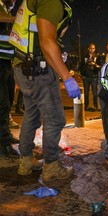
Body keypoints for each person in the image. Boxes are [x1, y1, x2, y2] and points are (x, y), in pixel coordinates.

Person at [9, 0, 81, 181]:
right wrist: (67, 77)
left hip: (22, 65)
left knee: (31, 115)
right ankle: (51, 166)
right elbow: (47, 42)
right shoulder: (51, 2)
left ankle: (25, 162)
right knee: (55, 119)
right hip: (37, 68)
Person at [0, 0, 19, 157]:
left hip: (7, 61)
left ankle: (6, 134)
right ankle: (3, 145)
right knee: (2, 103)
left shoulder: (6, 9)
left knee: (8, 101)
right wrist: (17, 19)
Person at [80, 43, 101, 111]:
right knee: (86, 93)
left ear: (95, 49)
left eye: (93, 48)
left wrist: (94, 64)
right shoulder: (84, 56)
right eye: (91, 48)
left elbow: (100, 66)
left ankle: (95, 106)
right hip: (86, 77)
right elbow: (81, 66)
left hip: (94, 77)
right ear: (88, 49)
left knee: (95, 93)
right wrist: (82, 74)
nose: (92, 50)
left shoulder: (97, 56)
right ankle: (86, 106)